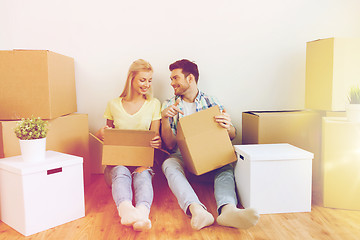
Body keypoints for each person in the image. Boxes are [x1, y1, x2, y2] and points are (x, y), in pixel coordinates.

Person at [161, 59, 260, 230]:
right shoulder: (169, 104)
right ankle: (197, 210)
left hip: (208, 155)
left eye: (175, 78)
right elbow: (169, 145)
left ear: (190, 78)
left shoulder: (211, 102)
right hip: (182, 156)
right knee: (169, 164)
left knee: (226, 165)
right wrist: (164, 119)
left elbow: (232, 135)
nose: (172, 83)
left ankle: (228, 210)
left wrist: (227, 126)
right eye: (171, 79)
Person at [97, 59, 161, 231]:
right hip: (116, 166)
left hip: (142, 163)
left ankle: (141, 214)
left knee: (143, 175)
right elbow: (106, 136)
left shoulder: (154, 104)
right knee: (121, 170)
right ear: (131, 79)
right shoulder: (113, 104)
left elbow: (155, 137)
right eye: (142, 80)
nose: (147, 84)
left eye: (149, 80)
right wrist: (101, 132)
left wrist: (157, 141)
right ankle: (125, 211)